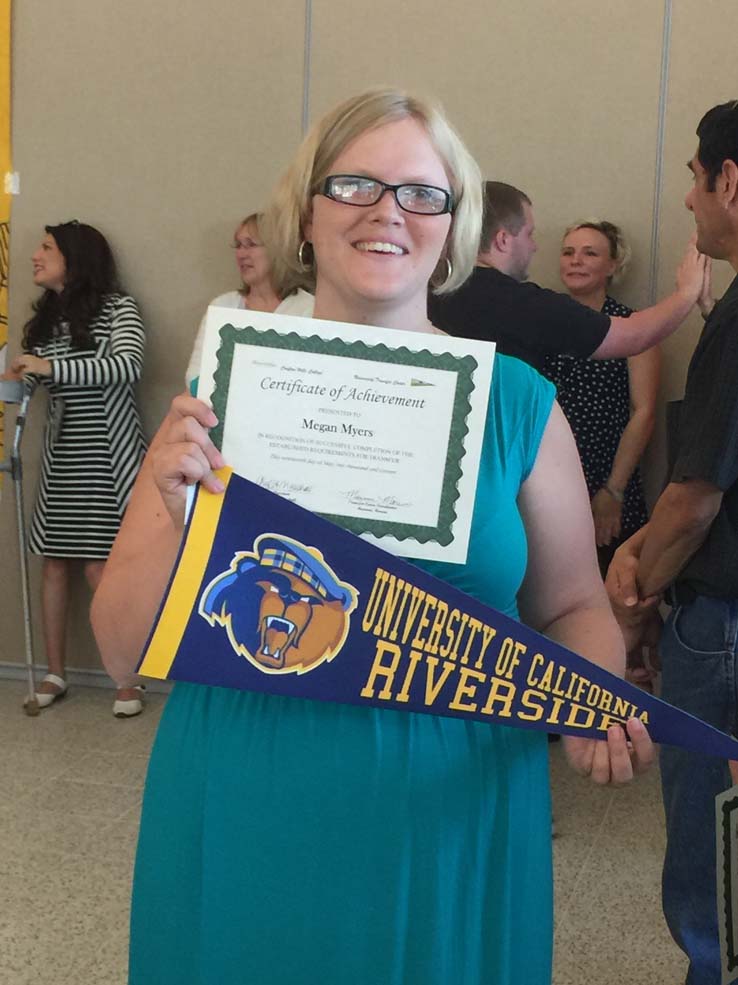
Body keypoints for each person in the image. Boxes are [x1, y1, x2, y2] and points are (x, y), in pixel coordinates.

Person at [91, 89, 653, 985]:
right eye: (354, 185)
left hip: (453, 800)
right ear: (305, 216)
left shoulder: (515, 403)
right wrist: (168, 500)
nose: (388, 211)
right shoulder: (223, 390)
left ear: (452, 225)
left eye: (421, 193)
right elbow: (120, 652)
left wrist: (595, 691)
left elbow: (577, 603)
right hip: (247, 777)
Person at [606, 100, 738, 984]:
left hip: (722, 627)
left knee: (710, 846)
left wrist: (638, 588)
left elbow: (695, 500)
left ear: (729, 180)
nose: (688, 202)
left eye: (695, 180)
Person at [4, 221, 146, 716]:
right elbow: (36, 385)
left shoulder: (118, 309)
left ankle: (126, 679)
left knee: (99, 567)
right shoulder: (45, 321)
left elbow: (126, 365)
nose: (35, 256)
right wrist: (19, 377)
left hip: (108, 459)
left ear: (74, 256)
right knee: (55, 564)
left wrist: (49, 368)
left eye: (46, 248)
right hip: (62, 458)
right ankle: (55, 672)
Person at [543, 220, 659, 686]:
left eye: (590, 253)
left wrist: (610, 491)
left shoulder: (633, 327)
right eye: (569, 251)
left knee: (619, 598)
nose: (575, 260)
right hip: (548, 481)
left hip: (610, 481)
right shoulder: (543, 321)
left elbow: (644, 412)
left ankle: (619, 696)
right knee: (551, 597)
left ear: (613, 265)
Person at [429, 180, 705, 372]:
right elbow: (633, 336)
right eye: (529, 234)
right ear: (503, 240)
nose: (535, 246)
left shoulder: (429, 292)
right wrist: (687, 294)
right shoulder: (523, 304)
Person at [185, 211, 313, 388]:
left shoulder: (309, 309)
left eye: (250, 244)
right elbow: (195, 377)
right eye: (238, 245)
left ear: (277, 249)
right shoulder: (222, 307)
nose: (241, 254)